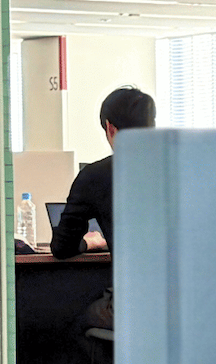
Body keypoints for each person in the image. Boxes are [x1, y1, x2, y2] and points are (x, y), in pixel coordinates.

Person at [50, 86, 155, 261]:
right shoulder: (186, 166)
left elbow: (63, 246)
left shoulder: (96, 177)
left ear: (110, 128)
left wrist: (90, 242)